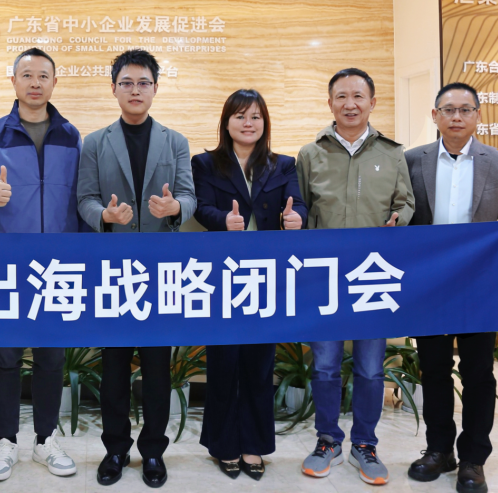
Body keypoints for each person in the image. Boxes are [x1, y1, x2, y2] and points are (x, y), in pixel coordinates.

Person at [404, 83, 498, 493]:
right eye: (449, 110)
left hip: (479, 283)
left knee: (478, 372)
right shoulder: (412, 160)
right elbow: (404, 209)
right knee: (434, 369)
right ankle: (439, 450)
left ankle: (474, 459)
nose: (457, 117)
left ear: (478, 115)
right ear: (435, 116)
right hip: (430, 283)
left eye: (465, 109)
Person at [77, 48, 197, 489]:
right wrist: (104, 216)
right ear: (113, 88)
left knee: (157, 368)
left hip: (160, 270)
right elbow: (85, 199)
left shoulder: (175, 141)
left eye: (143, 83)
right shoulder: (95, 142)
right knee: (113, 367)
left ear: (155, 88)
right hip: (113, 270)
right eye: (126, 83)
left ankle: (152, 452)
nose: (135, 90)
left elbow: (189, 196)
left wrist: (174, 208)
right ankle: (115, 449)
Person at [0, 47, 81, 482]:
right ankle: (6, 439)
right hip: (7, 262)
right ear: (13, 81)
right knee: (7, 356)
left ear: (54, 82)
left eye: (43, 76)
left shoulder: (70, 135)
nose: (35, 83)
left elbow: (80, 196)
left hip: (57, 264)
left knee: (51, 356)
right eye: (27, 75)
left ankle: (45, 439)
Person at [296, 67, 414, 486]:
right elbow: (301, 208)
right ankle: (327, 440)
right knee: (326, 366)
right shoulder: (310, 154)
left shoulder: (393, 154)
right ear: (330, 103)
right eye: (341, 97)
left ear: (372, 102)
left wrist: (400, 218)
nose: (350, 104)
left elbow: (406, 202)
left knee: (369, 368)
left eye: (358, 96)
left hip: (372, 277)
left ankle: (365, 444)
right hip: (325, 277)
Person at [191, 89, 307, 481]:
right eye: (240, 116)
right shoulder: (206, 163)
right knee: (224, 362)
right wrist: (223, 220)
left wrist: (296, 218)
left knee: (259, 364)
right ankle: (223, 444)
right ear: (226, 122)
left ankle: (253, 444)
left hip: (266, 275)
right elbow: (201, 207)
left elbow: (297, 204)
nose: (248, 123)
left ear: (264, 123)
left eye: (255, 116)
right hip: (223, 275)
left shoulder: (282, 164)